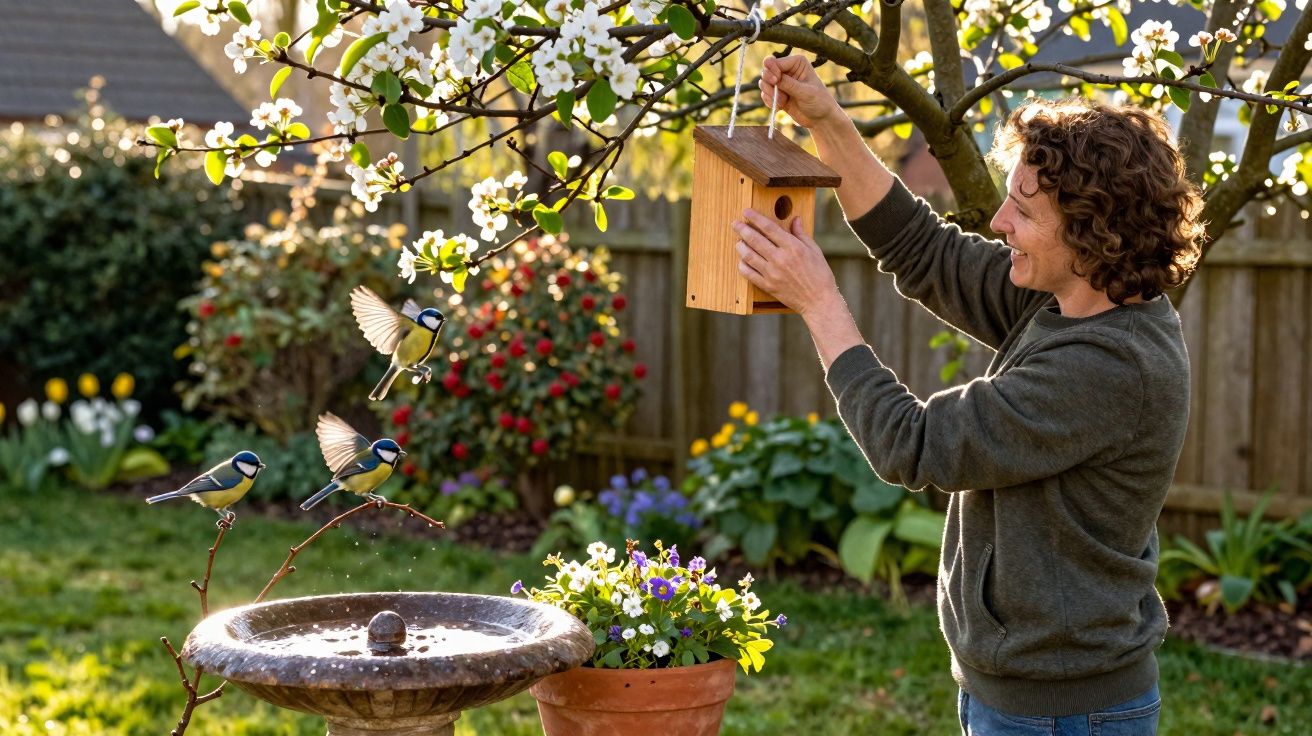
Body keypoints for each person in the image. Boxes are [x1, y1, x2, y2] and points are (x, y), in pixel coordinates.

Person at [733, 55, 1205, 735]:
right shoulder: (1072, 299)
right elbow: (920, 247)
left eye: (1024, 208)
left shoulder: (1109, 366)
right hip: (1026, 697)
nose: (999, 221)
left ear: (1089, 230)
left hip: (1063, 713)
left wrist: (818, 300)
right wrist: (827, 121)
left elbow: (914, 445)